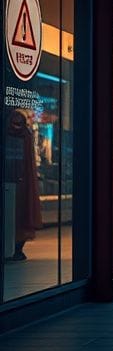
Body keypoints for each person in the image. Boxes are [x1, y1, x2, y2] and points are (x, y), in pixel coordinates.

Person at [5, 109, 42, 261]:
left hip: (15, 181)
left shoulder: (19, 135)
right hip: (19, 182)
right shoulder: (25, 134)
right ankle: (15, 248)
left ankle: (15, 247)